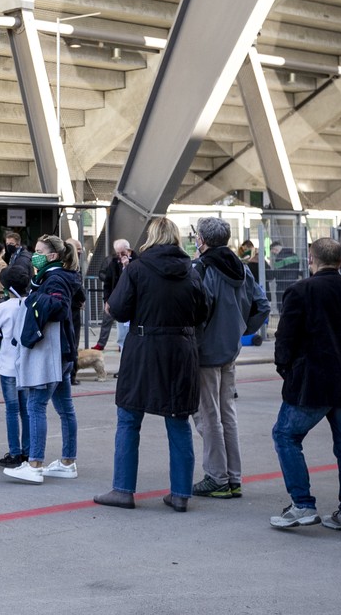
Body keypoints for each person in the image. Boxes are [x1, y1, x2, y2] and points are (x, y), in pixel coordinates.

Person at [269, 238, 341, 535]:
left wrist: (286, 370)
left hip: (312, 382)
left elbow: (285, 339)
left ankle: (303, 504)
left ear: (312, 259)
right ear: (340, 261)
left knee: (285, 435)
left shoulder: (300, 291)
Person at [94, 217, 208, 512]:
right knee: (178, 420)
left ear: (152, 237)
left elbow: (117, 310)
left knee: (129, 419)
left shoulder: (137, 269)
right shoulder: (191, 271)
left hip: (143, 348)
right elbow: (203, 311)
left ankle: (123, 490)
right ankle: (181, 493)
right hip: (181, 350)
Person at [191, 216, 269, 500]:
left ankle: (216, 477)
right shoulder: (242, 269)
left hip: (206, 351)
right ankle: (233, 477)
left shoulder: (201, 268)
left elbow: (199, 309)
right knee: (227, 414)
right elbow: (262, 305)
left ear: (202, 239)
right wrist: (239, 328)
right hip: (230, 350)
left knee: (207, 415)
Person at [5, 234, 81, 485]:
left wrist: (35, 300)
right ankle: (68, 461)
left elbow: (58, 306)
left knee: (36, 405)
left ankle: (35, 463)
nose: (34, 254)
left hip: (51, 352)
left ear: (53, 256)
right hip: (64, 350)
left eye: (39, 251)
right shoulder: (62, 276)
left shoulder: (54, 277)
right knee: (65, 408)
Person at [0, 266, 34, 468]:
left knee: (11, 410)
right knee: (28, 410)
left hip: (8, 365)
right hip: (29, 365)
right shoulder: (32, 303)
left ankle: (14, 452)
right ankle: (29, 451)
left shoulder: (4, 307)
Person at [93, 239, 134, 350]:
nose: (120, 256)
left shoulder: (136, 261)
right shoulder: (113, 262)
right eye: (118, 253)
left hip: (129, 300)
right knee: (107, 320)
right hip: (114, 298)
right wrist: (106, 300)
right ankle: (102, 343)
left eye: (123, 253)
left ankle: (125, 345)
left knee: (127, 326)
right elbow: (107, 282)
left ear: (129, 250)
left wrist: (127, 266)